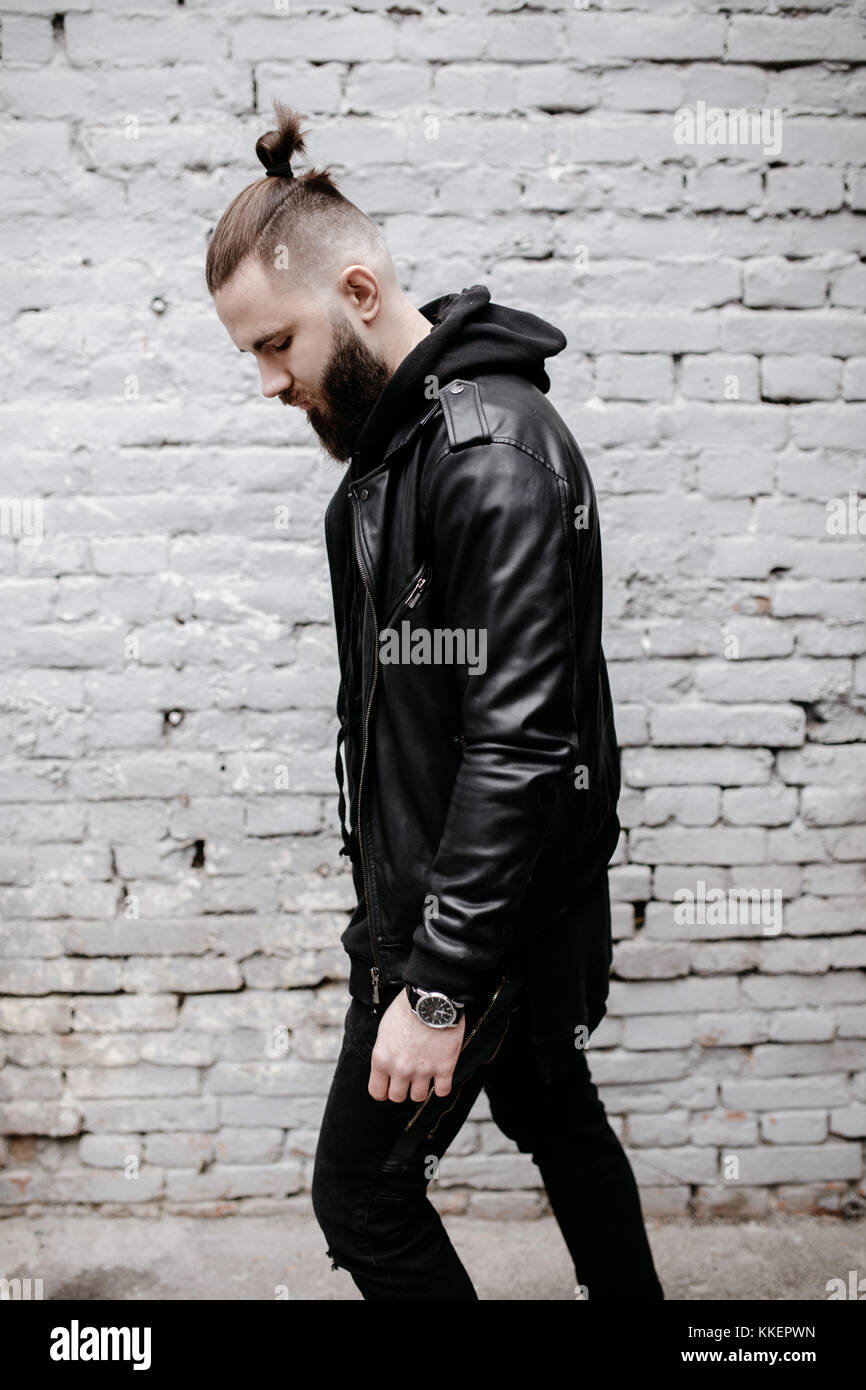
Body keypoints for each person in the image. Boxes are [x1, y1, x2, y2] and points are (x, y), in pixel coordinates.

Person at [206, 100, 664, 1301]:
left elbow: (516, 741)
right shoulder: (395, 456)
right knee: (558, 1121)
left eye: (274, 344)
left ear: (357, 292)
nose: (266, 383)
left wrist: (436, 980)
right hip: (474, 902)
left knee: (360, 1195)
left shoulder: (488, 457)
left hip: (475, 925)